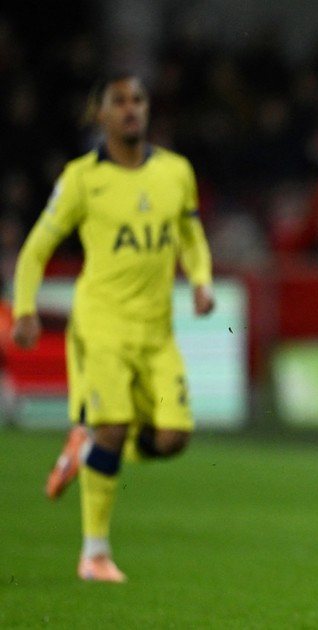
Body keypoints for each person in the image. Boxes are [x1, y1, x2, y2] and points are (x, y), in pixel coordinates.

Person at [11, 73, 215, 583]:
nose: (131, 109)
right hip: (100, 326)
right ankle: (94, 553)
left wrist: (201, 280)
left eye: (138, 100)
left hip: (157, 331)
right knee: (114, 426)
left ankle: (85, 448)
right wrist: (25, 308)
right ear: (100, 113)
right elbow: (36, 248)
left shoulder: (175, 171)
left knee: (172, 438)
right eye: (119, 101)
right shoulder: (82, 178)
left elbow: (190, 233)